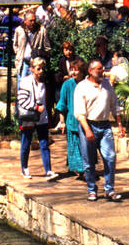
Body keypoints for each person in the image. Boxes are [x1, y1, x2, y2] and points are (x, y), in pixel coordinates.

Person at [75, 59, 123, 201]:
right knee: (89, 161)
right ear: (90, 71)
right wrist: (87, 130)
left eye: (102, 68)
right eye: (99, 69)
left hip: (105, 125)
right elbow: (79, 112)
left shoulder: (107, 85)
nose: (102, 71)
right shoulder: (82, 87)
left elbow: (115, 106)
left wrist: (120, 125)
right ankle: (92, 189)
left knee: (110, 157)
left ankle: (109, 189)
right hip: (88, 125)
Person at [17, 57, 55, 179]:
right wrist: (34, 107)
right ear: (32, 69)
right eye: (38, 68)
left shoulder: (44, 82)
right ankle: (24, 168)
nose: (41, 71)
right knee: (26, 143)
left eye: (42, 68)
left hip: (42, 117)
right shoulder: (25, 81)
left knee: (44, 143)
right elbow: (21, 100)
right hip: (29, 117)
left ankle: (48, 170)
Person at [53, 57, 88, 178]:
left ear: (82, 71)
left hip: (86, 122)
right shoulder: (67, 85)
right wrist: (62, 122)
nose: (73, 73)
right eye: (71, 70)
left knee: (85, 147)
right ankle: (80, 170)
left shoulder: (87, 83)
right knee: (75, 147)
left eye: (76, 70)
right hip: (72, 122)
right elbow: (62, 104)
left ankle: (81, 167)